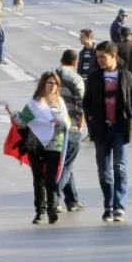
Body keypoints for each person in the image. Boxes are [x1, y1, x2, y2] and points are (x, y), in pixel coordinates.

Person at [83, 41, 132, 223]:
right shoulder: (93, 77)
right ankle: (108, 205)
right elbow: (87, 103)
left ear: (113, 56)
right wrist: (91, 123)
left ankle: (119, 207)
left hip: (120, 130)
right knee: (104, 171)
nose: (99, 60)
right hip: (101, 130)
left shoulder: (126, 76)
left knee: (119, 168)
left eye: (102, 57)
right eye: (97, 57)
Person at [7, 71, 69, 224]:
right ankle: (39, 211)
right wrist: (13, 114)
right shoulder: (34, 103)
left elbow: (66, 123)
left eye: (55, 83)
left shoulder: (60, 102)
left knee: (51, 178)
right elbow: (23, 122)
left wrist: (59, 122)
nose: (53, 86)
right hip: (35, 143)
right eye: (50, 82)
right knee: (38, 178)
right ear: (43, 84)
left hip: (54, 143)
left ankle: (52, 210)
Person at [55, 49, 86, 213]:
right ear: (75, 63)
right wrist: (80, 127)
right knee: (66, 164)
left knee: (65, 163)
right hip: (70, 126)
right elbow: (81, 106)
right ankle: (53, 198)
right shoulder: (76, 79)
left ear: (61, 60)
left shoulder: (51, 77)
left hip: (53, 127)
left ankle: (72, 200)